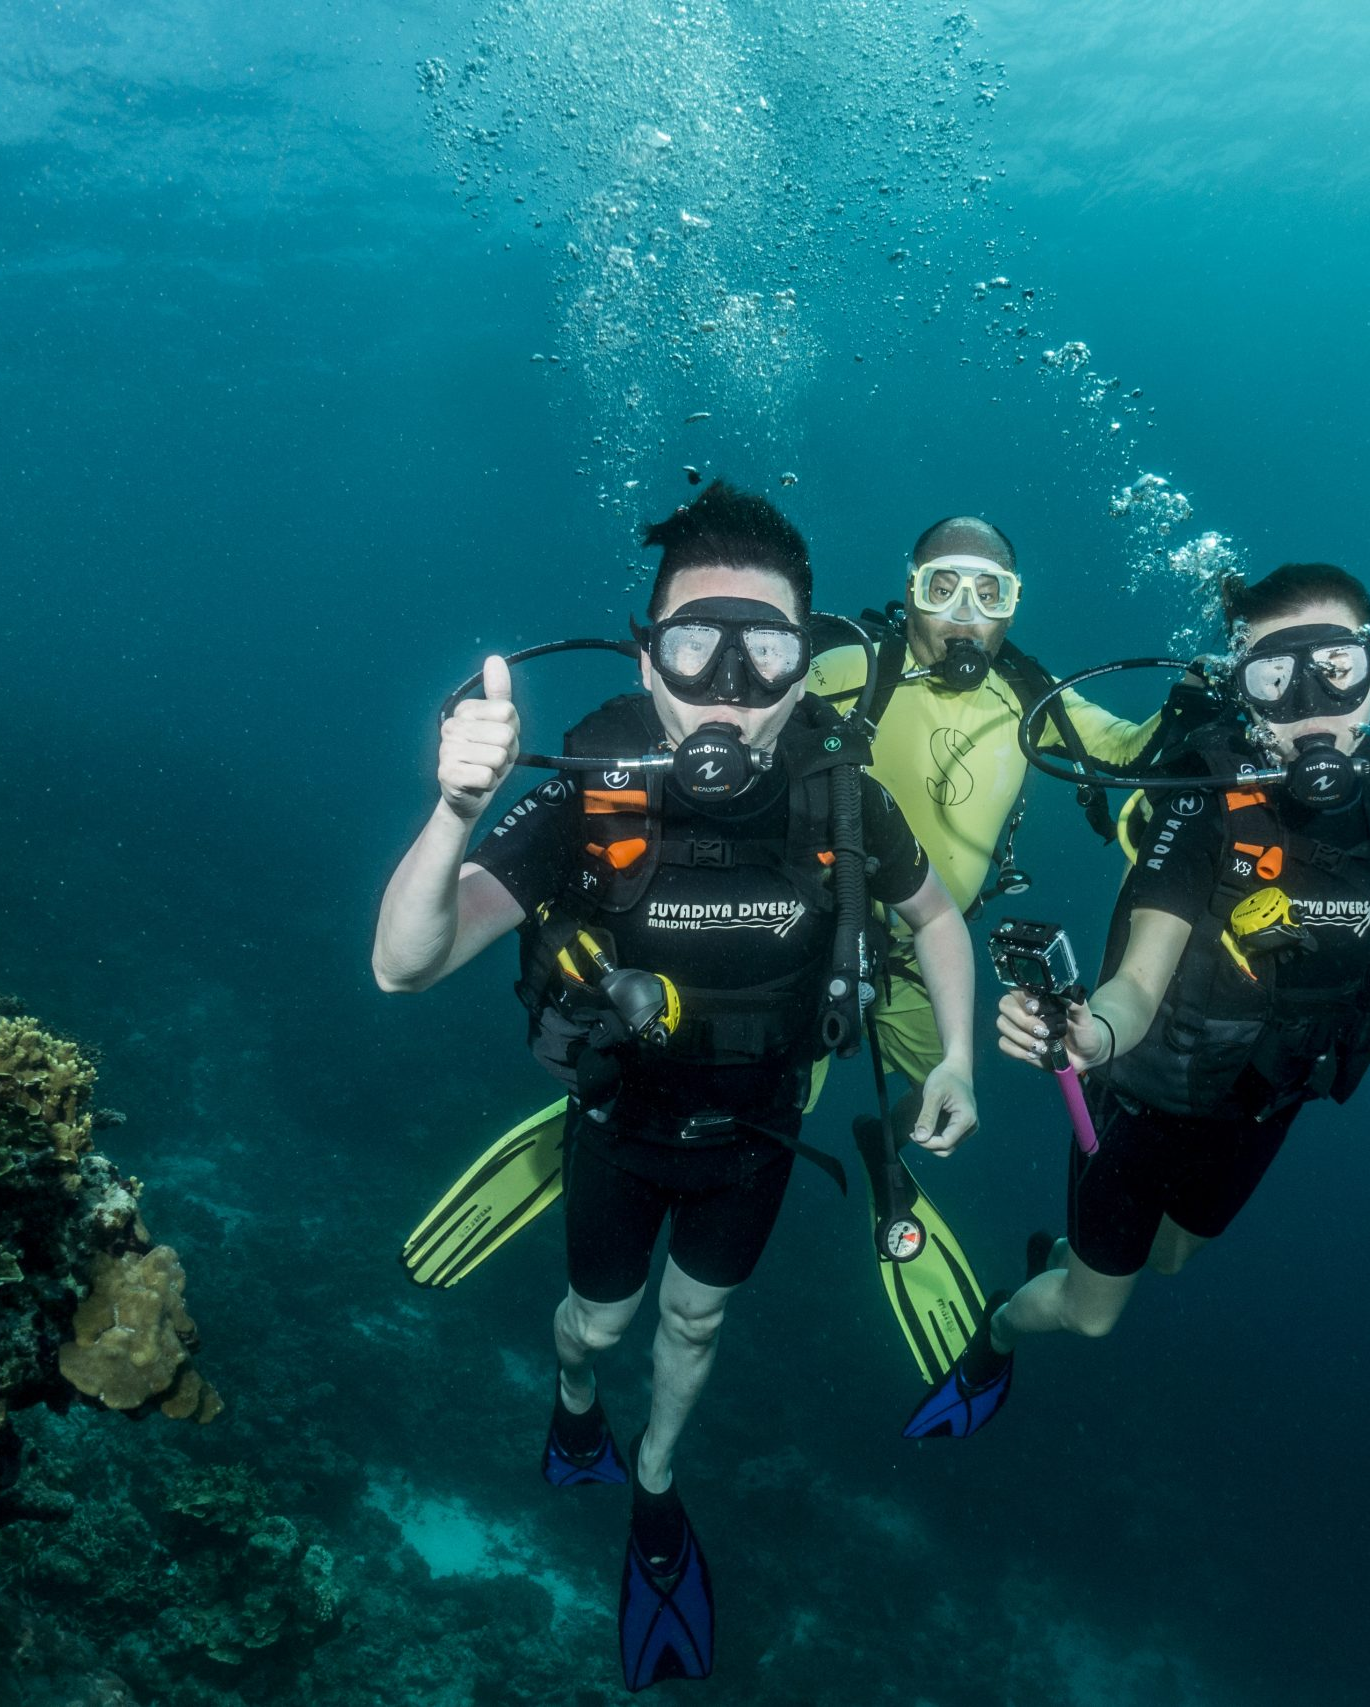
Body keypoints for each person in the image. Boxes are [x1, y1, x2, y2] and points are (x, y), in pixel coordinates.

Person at [372, 480, 980, 1687]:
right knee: (597, 1321)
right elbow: (403, 965)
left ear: (809, 668)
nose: (731, 690)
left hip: (757, 1128)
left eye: (769, 654)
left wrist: (957, 1052)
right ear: (647, 657)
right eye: (696, 648)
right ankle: (576, 1402)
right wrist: (454, 810)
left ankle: (654, 1480)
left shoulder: (839, 797)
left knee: (697, 1319)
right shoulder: (591, 781)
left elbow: (939, 916)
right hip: (616, 1116)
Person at [899, 561, 1370, 1439]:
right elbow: (1141, 979)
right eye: (1275, 676)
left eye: (1335, 668)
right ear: (1244, 689)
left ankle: (1075, 1256)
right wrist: (1091, 1035)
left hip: (1263, 1106)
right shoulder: (1206, 798)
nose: (1311, 703)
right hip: (1148, 1099)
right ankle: (999, 1324)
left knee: (1175, 1258)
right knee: (1094, 1314)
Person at [806, 514, 1161, 1094]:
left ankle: (885, 1153)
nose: (966, 614)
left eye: (989, 594)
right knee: (780, 1100)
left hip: (927, 958)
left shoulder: (1028, 694)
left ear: (1012, 607)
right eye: (942, 590)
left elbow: (1126, 750)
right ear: (911, 594)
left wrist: (1193, 703)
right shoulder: (855, 670)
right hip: (818, 939)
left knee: (940, 1094)